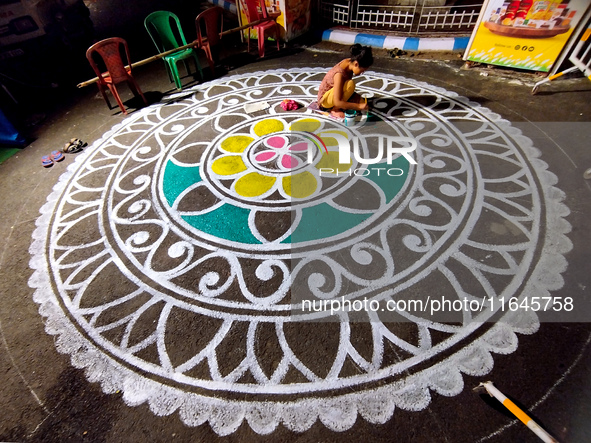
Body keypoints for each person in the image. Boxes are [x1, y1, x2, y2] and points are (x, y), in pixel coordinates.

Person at [317, 44, 373, 119]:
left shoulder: (349, 62)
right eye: (362, 70)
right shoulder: (339, 74)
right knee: (350, 85)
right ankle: (335, 109)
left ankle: (342, 105)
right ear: (356, 64)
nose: (362, 73)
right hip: (325, 100)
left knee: (363, 102)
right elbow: (337, 101)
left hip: (336, 93)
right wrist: (358, 106)